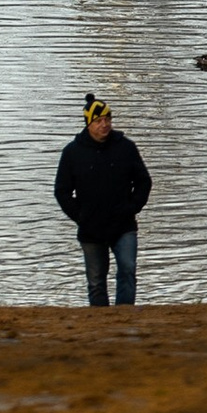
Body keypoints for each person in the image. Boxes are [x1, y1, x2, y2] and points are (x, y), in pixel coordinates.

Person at [52, 94, 152, 309]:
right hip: (91, 228)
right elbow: (62, 191)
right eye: (99, 121)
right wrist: (80, 216)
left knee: (127, 270)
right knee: (96, 280)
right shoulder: (72, 152)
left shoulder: (126, 147)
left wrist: (133, 207)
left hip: (123, 225)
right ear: (88, 123)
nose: (104, 125)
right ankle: (98, 322)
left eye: (108, 119)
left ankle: (125, 316)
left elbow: (144, 181)